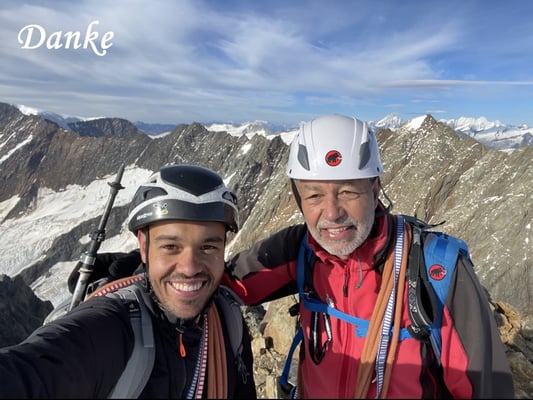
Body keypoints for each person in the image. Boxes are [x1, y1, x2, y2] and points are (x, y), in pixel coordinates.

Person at [222, 114, 515, 398]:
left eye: (348, 192)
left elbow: (485, 389)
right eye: (314, 196)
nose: (332, 213)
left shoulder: (436, 269)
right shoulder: (300, 249)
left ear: (374, 191)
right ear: (299, 199)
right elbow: (217, 284)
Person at [0, 163, 256, 398]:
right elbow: (35, 370)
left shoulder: (229, 324)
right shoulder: (111, 327)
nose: (189, 268)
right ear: (143, 247)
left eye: (208, 248)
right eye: (170, 246)